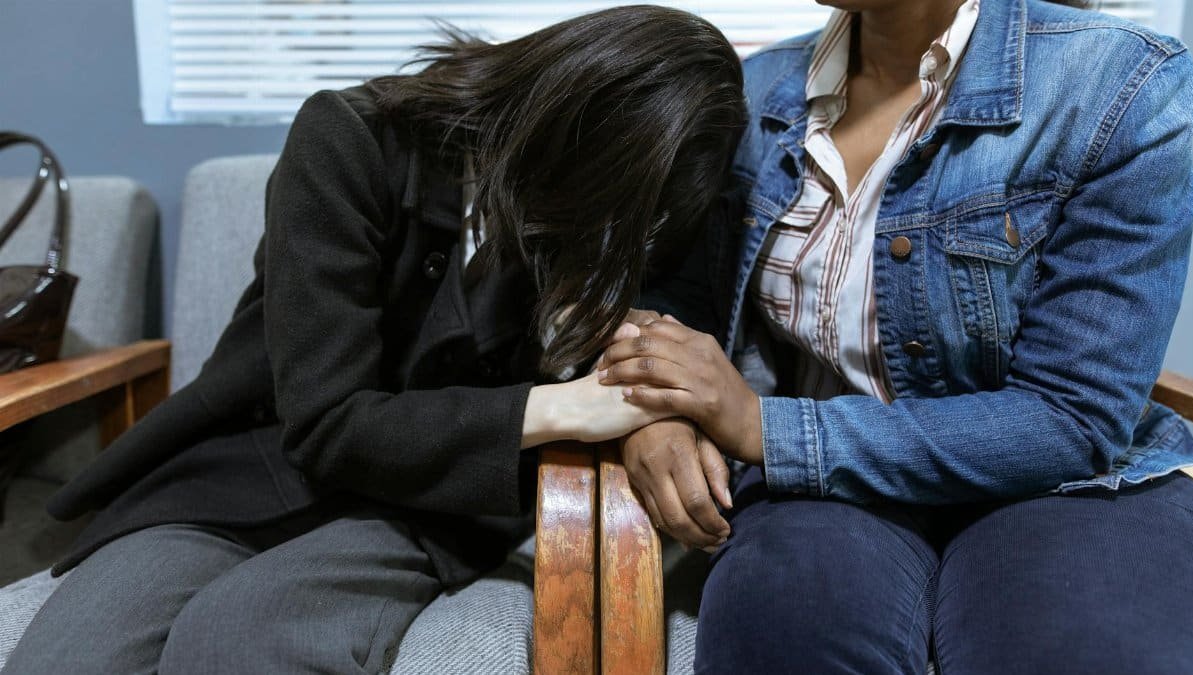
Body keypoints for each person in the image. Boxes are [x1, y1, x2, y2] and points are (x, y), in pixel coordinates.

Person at [2, 6, 747, 674]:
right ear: (572, 124)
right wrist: (564, 408)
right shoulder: (350, 139)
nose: (610, 239)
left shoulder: (621, 219)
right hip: (250, 471)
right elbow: (326, 419)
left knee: (240, 641)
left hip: (420, 503)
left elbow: (657, 327)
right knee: (67, 658)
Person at [599, 0, 1193, 672]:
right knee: (784, 638)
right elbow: (675, 302)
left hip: (1069, 488)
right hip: (824, 493)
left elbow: (1072, 419)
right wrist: (655, 414)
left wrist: (766, 429)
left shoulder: (1119, 82)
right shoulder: (753, 90)